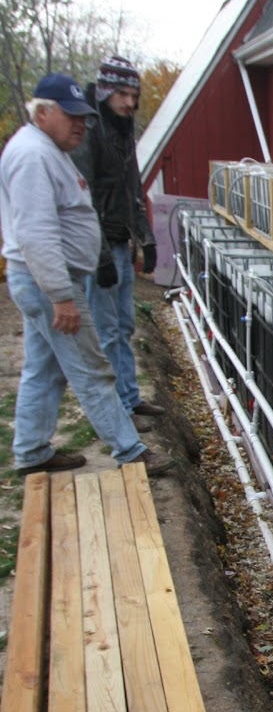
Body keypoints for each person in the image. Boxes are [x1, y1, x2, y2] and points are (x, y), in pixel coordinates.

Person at [0, 72, 171, 477]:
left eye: (84, 116)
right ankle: (130, 451)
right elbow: (36, 232)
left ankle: (31, 450)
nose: (81, 124)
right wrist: (61, 295)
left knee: (45, 367)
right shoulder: (32, 156)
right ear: (42, 113)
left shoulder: (47, 151)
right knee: (92, 368)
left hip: (46, 279)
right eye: (71, 116)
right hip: (49, 283)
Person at [72, 54, 162, 426]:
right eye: (123, 94)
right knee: (107, 332)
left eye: (134, 94)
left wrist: (146, 237)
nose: (129, 102)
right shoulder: (90, 131)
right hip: (99, 247)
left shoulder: (124, 130)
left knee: (124, 326)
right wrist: (99, 256)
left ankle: (130, 397)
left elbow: (132, 188)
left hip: (120, 242)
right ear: (106, 90)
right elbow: (83, 196)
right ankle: (119, 411)